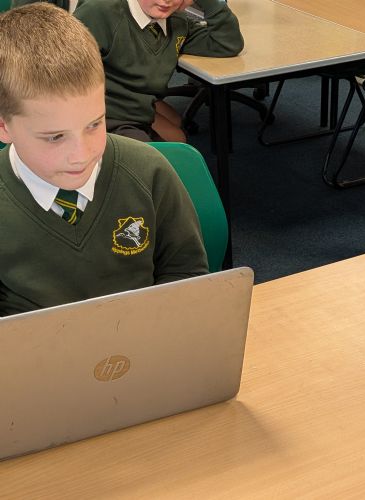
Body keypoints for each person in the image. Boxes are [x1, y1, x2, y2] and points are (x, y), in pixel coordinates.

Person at [0, 3, 209, 317]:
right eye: (55, 137)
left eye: (94, 124)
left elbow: (187, 275)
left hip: (142, 337)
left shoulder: (149, 173)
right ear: (4, 126)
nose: (81, 155)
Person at [74, 0, 244, 143]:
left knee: (178, 136)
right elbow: (65, 76)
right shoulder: (99, 12)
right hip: (105, 112)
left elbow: (226, 44)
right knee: (157, 160)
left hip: (137, 102)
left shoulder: (176, 21)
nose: (166, 1)